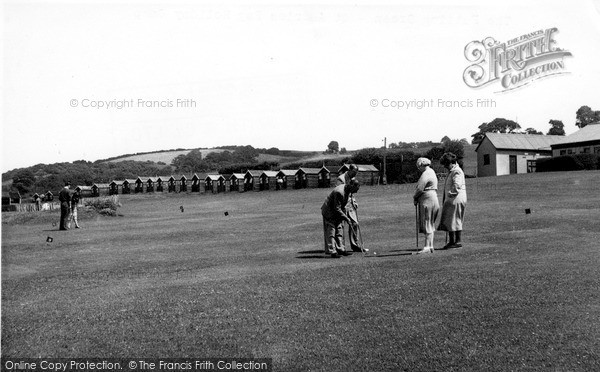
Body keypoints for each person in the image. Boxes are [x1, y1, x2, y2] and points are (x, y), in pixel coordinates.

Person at [321, 179, 361, 258]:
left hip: (337, 211)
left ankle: (341, 249)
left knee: (339, 229)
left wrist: (345, 216)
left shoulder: (348, 191)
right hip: (329, 211)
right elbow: (337, 208)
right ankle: (333, 251)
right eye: (356, 189)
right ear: (352, 186)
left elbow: (342, 206)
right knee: (331, 230)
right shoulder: (339, 192)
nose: (356, 192)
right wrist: (346, 218)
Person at [438, 152, 467, 248]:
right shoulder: (453, 171)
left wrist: (451, 193)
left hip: (456, 199)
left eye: (447, 164)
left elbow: (457, 184)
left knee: (455, 219)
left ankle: (457, 241)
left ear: (452, 162)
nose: (445, 166)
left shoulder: (456, 171)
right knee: (451, 220)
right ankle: (452, 241)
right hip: (453, 199)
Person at [335, 164, 366, 252]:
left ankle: (355, 245)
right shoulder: (341, 179)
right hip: (342, 205)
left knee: (355, 223)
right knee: (341, 226)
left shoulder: (352, 179)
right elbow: (339, 193)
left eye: (356, 173)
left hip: (350, 205)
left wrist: (354, 201)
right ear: (350, 170)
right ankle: (341, 247)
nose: (355, 175)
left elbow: (351, 192)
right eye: (354, 172)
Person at [413, 157, 440, 254]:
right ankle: (430, 245)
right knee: (430, 223)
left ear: (421, 165)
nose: (418, 168)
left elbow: (420, 188)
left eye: (418, 166)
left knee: (427, 222)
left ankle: (427, 247)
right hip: (434, 198)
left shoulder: (425, 174)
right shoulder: (432, 172)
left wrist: (415, 197)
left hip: (427, 199)